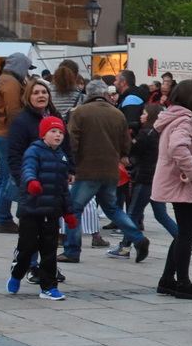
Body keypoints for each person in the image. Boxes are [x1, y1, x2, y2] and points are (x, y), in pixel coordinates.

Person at [64, 80, 150, 262]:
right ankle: (138, 238)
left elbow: (73, 142)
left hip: (87, 170)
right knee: (112, 208)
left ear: (88, 94)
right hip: (111, 170)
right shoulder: (117, 114)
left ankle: (72, 251)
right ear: (105, 94)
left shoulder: (79, 113)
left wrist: (72, 165)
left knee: (73, 209)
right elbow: (125, 144)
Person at [153, 79, 192, 300]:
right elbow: (178, 147)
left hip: (174, 182)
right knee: (188, 232)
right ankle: (182, 282)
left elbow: (188, 147)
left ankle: (168, 280)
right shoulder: (185, 120)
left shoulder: (173, 116)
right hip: (181, 183)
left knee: (184, 233)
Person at [8, 116, 75, 301]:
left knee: (49, 250)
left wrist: (68, 212)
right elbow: (28, 169)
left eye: (60, 132)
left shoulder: (61, 157)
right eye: (53, 131)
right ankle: (17, 272)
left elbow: (63, 188)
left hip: (51, 211)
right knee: (27, 248)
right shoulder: (34, 151)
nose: (58, 135)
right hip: (31, 209)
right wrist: (32, 182)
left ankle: (49, 287)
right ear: (44, 134)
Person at [122, 103, 179, 252]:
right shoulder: (163, 133)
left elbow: (133, 149)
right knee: (160, 214)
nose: (141, 116)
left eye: (144, 113)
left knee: (133, 213)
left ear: (151, 116)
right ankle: (181, 239)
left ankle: (124, 247)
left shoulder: (146, 133)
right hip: (158, 178)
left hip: (146, 178)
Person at [0, 53, 31, 233]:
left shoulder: (2, 79)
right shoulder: (11, 83)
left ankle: (1, 216)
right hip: (7, 132)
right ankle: (4, 218)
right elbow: (14, 110)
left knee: (3, 177)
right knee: (9, 177)